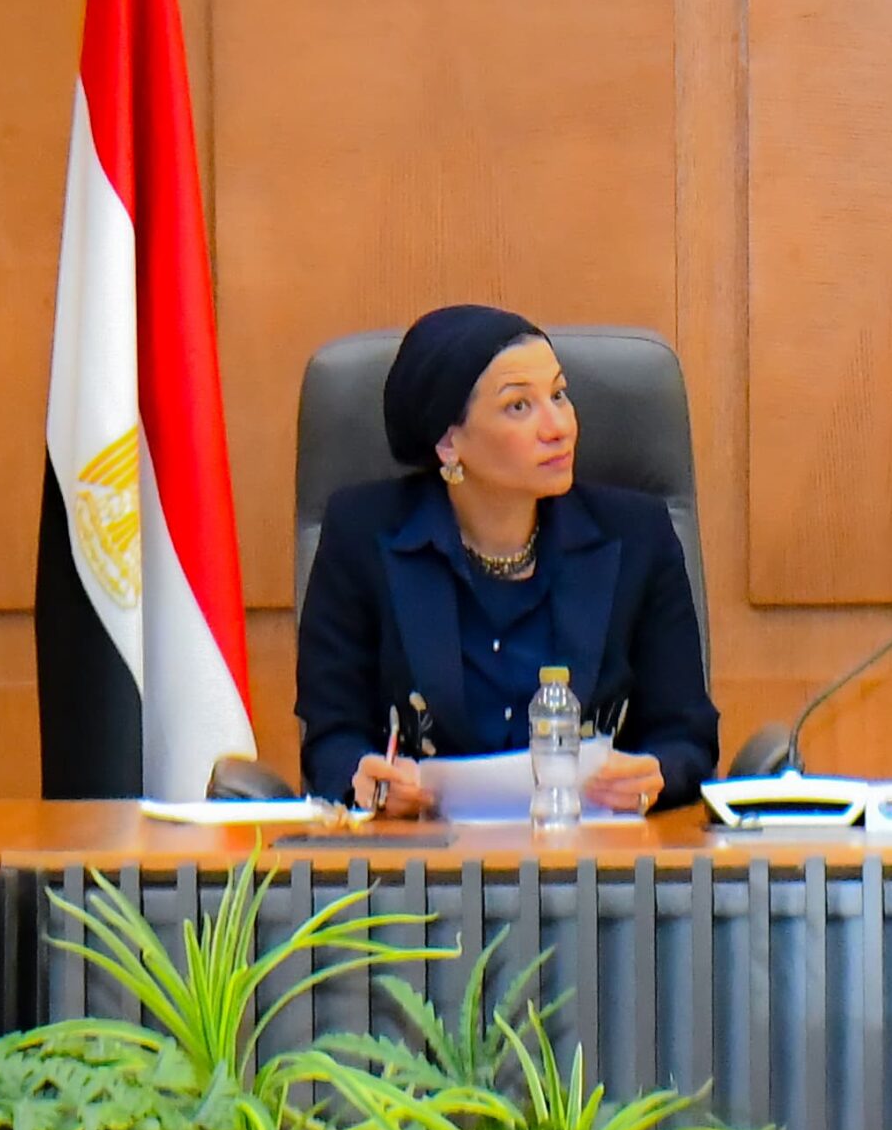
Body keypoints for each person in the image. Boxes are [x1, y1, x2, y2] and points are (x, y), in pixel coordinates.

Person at [296, 305, 719, 817]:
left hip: (593, 848)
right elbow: (332, 736)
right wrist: (365, 777)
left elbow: (686, 735)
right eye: (519, 406)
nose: (558, 426)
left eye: (559, 396)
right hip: (420, 850)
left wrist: (655, 774)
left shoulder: (637, 535)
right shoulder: (363, 534)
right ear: (448, 441)